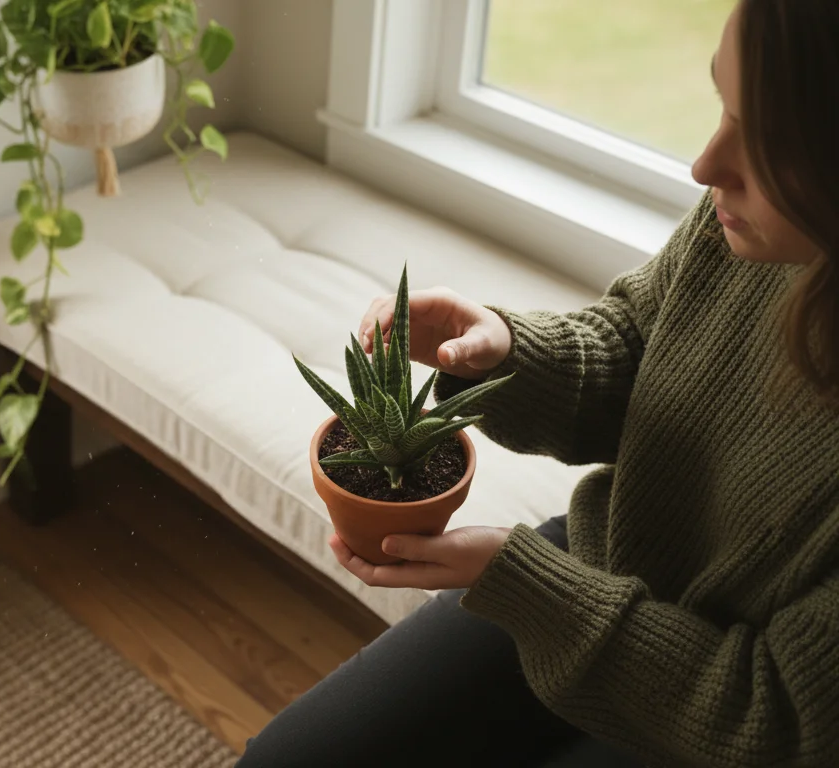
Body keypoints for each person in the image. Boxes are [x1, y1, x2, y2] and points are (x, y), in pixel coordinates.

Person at [237, 0, 839, 765]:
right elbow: (643, 346)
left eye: (773, 142)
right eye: (724, 105)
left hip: (721, 720)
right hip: (600, 568)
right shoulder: (746, 220)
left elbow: (778, 717)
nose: (706, 166)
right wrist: (506, 352)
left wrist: (521, 584)